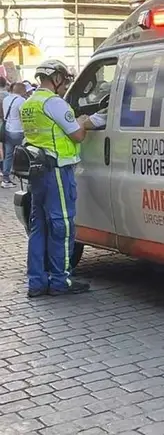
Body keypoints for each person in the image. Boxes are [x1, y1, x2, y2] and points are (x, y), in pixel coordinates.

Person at [20, 59, 92, 297]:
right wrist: (84, 122)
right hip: (57, 171)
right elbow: (78, 136)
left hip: (37, 173)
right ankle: (61, 281)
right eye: (64, 79)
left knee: (38, 227)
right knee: (62, 226)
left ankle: (37, 282)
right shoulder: (55, 104)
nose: (65, 84)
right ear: (56, 78)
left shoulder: (29, 104)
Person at [2, 82, 27, 188]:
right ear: (21, 90)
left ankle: (6, 179)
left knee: (8, 155)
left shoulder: (6, 99)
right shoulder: (22, 101)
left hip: (7, 129)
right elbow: (24, 117)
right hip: (19, 131)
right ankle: (24, 177)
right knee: (24, 154)